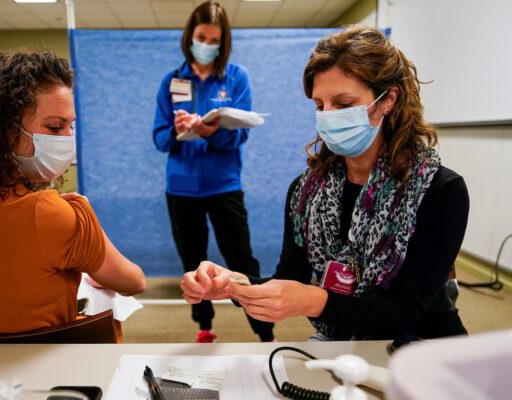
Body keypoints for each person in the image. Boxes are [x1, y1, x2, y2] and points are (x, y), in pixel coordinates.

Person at [180, 26, 469, 340]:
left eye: (343, 105)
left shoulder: (439, 191)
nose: (328, 117)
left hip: (424, 347)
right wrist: (234, 284)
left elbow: (399, 313)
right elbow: (290, 278)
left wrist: (313, 300)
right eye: (320, 106)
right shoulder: (307, 192)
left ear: (388, 100)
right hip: (342, 344)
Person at [0, 51, 146, 333]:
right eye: (54, 127)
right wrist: (85, 213)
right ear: (3, 129)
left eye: (71, 126)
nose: (67, 139)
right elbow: (134, 282)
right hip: (45, 366)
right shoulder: (55, 214)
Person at [153, 1, 274, 343]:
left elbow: (242, 133)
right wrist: (178, 131)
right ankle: (204, 328)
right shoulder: (172, 81)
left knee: (242, 261)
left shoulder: (236, 77)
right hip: (181, 190)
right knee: (192, 263)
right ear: (189, 37)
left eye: (213, 39)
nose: (205, 45)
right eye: (200, 37)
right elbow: (159, 138)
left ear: (223, 42)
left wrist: (213, 131)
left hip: (224, 186)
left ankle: (266, 334)